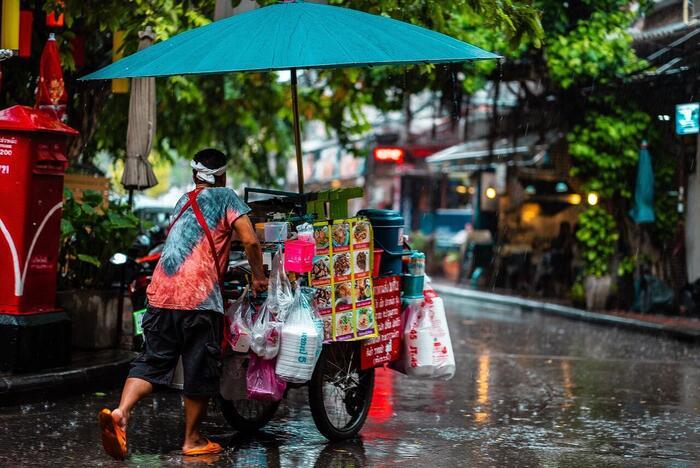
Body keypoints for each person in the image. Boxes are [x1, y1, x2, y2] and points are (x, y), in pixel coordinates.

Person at [98, 149, 268, 460]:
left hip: (160, 294)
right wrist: (258, 276)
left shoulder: (182, 201)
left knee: (152, 362)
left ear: (193, 176)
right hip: (199, 299)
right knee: (199, 369)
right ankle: (192, 440)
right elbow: (251, 240)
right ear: (223, 176)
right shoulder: (226, 197)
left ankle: (121, 412)